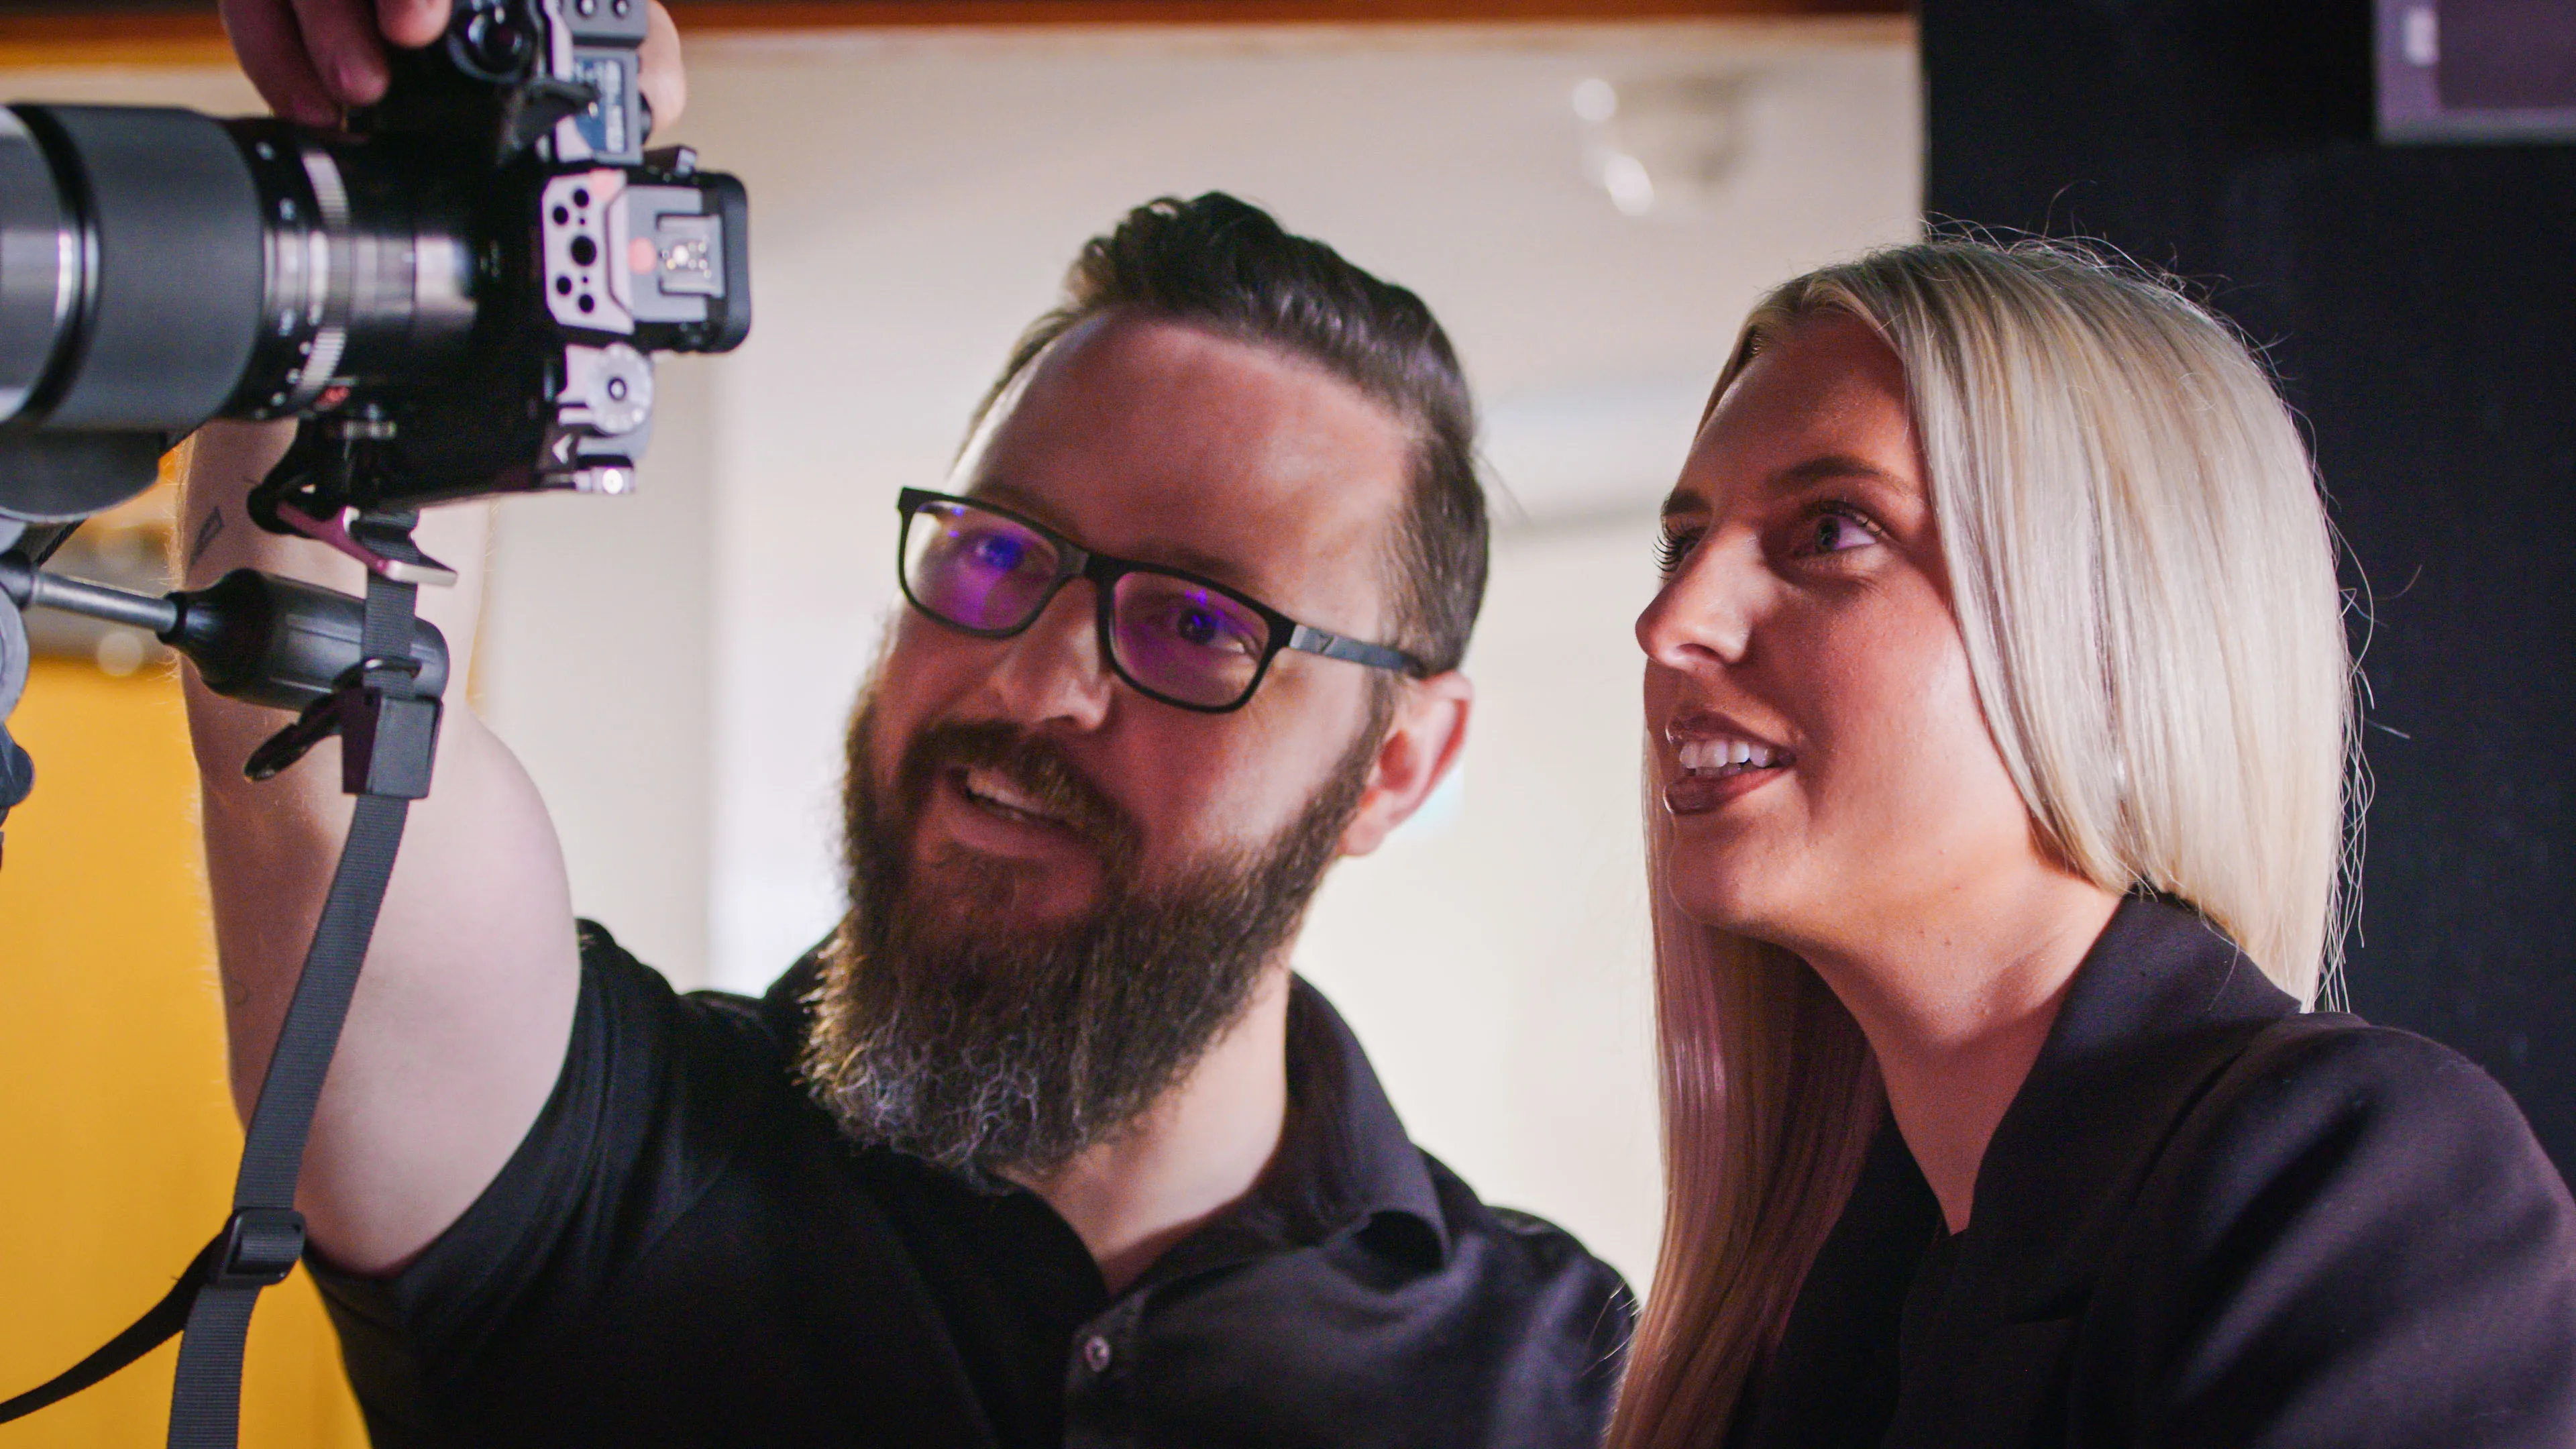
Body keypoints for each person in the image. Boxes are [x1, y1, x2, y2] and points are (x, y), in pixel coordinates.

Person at [186, 5, 1631, 1445]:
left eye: (1197, 623)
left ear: (1397, 767)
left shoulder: (1565, 1380)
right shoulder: (597, 1155)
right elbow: (315, 732)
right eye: (997, 554)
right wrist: (427, 164)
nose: (1034, 681)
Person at [1605, 239, 2576, 1449]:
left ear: (2112, 646)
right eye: (1683, 542)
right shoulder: (1824, 1313)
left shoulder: (2356, 1181)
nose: (1671, 621)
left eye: (1832, 529)